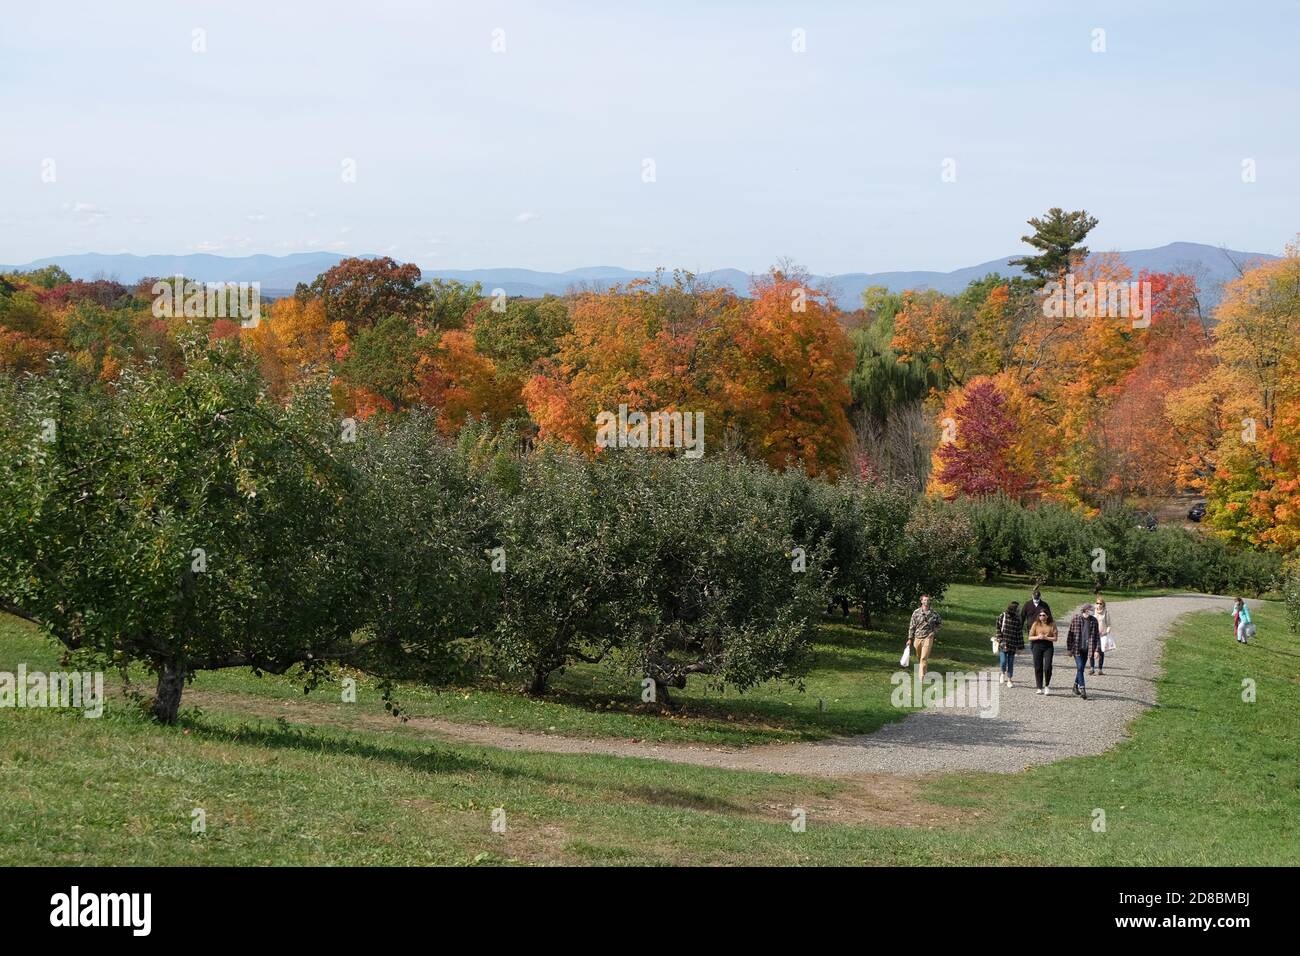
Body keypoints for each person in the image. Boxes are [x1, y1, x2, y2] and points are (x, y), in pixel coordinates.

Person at [1066, 604, 1100, 700]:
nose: (1092, 611)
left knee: (1080, 669)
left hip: (1087, 649)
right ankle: (1083, 689)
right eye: (1090, 610)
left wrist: (1097, 650)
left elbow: (1097, 637)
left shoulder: (1094, 620)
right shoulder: (1076, 618)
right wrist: (1069, 649)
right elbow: (1070, 635)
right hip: (1077, 648)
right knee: (1080, 666)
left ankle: (1075, 685)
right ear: (1085, 610)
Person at [907, 594, 942, 679]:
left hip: (928, 637)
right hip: (917, 637)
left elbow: (939, 624)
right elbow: (912, 626)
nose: (926, 601)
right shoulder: (916, 612)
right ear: (921, 601)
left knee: (923, 657)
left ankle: (921, 677)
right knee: (919, 657)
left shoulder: (934, 613)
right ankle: (924, 671)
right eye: (925, 600)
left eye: (928, 600)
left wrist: (933, 632)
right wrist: (910, 638)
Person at [1028, 608, 1057, 694]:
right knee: (1038, 666)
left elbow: (1055, 638)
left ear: (1047, 616)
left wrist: (1046, 637)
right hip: (1037, 645)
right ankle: (1039, 687)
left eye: (1043, 615)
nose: (1041, 617)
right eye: (1040, 615)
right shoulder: (1035, 624)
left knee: (1047, 666)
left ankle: (1047, 685)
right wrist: (1038, 637)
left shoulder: (1052, 624)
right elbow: (1030, 637)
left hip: (1048, 646)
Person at [996, 600, 1024, 687]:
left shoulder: (1018, 620)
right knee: (1003, 661)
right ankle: (1002, 673)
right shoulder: (1002, 616)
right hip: (1003, 643)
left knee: (1011, 662)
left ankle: (1009, 679)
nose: (1019, 610)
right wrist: (999, 638)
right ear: (1013, 609)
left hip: (1013, 644)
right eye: (1017, 609)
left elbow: (1019, 633)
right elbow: (998, 627)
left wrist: (1020, 647)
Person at [1090, 594, 1112, 675]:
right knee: (1091, 650)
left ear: (1103, 604)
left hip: (1102, 635)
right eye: (1097, 603)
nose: (1098, 605)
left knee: (1101, 651)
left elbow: (1109, 625)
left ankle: (1100, 669)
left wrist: (1106, 632)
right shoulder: (1092, 612)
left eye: (1100, 603)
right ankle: (1092, 668)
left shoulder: (1106, 612)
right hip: (1093, 634)